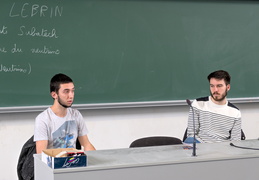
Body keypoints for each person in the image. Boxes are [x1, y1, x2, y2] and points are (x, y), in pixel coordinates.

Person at [34, 73, 95, 153]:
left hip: (73, 162)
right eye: (66, 92)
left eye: (72, 91)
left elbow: (86, 145)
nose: (71, 96)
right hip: (53, 164)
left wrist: (98, 161)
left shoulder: (76, 115)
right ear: (54, 95)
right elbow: (41, 155)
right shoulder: (43, 119)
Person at [184, 70, 241, 143]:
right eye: (212, 86)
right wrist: (208, 150)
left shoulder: (235, 112)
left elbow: (236, 142)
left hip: (223, 152)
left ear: (228, 87)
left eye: (219, 86)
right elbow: (191, 135)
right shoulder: (198, 104)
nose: (215, 90)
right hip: (200, 150)